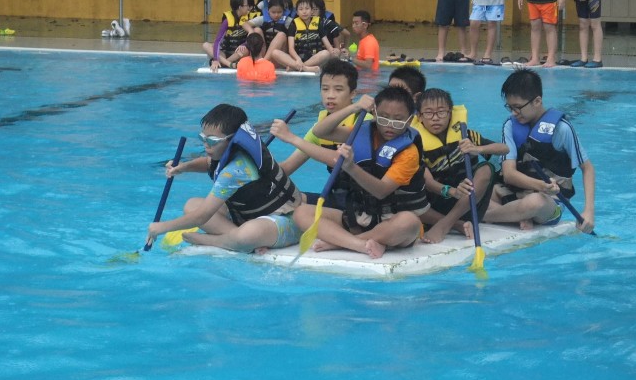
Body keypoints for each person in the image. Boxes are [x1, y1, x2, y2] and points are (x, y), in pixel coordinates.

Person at [292, 87, 429, 259]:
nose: (389, 125)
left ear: (410, 120)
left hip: (391, 222)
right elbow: (320, 132)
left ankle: (340, 242)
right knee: (301, 213)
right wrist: (354, 107)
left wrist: (351, 167)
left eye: (398, 120)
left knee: (409, 222)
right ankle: (358, 244)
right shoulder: (363, 131)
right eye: (384, 117)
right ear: (374, 113)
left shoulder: (408, 153)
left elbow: (381, 191)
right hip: (358, 216)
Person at [145, 104, 302, 253]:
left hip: (286, 220)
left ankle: (219, 241)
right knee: (191, 205)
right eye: (203, 138)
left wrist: (161, 227)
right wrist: (184, 167)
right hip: (247, 217)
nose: (206, 144)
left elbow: (202, 216)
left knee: (249, 233)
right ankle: (239, 239)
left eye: (212, 141)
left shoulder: (237, 169)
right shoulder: (229, 151)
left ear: (232, 140)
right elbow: (209, 163)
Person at [483, 69, 595, 232]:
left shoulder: (562, 129)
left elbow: (588, 168)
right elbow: (509, 174)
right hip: (514, 194)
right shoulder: (510, 125)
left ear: (537, 101)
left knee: (535, 202)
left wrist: (589, 212)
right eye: (510, 107)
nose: (514, 113)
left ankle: (486, 215)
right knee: (475, 193)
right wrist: (541, 185)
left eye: (518, 107)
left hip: (548, 201)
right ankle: (517, 215)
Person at [269, 58, 368, 208]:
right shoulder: (320, 126)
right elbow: (287, 167)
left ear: (353, 93)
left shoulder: (363, 120)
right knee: (282, 197)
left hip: (363, 203)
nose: (330, 95)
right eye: (325, 89)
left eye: (338, 89)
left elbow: (339, 160)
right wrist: (256, 166)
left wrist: (291, 138)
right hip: (336, 198)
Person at [414, 88, 507, 243]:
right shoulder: (416, 144)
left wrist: (477, 149)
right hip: (436, 203)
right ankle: (457, 225)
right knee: (409, 199)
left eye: (441, 112)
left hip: (467, 203)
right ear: (419, 116)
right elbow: (428, 182)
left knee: (486, 169)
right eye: (429, 113)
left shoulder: (466, 135)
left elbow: (504, 149)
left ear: (450, 113)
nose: (435, 118)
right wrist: (452, 191)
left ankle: (445, 224)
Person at [242, 0, 300, 70]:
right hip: (263, 53)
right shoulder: (263, 19)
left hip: (278, 57)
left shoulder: (289, 21)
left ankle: (263, 62)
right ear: (268, 11)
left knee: (281, 35)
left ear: (284, 11)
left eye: (279, 12)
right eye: (273, 12)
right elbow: (245, 24)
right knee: (257, 30)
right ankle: (258, 60)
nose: (276, 15)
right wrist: (251, 31)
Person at [204, 0, 254, 71]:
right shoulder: (227, 21)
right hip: (225, 51)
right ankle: (228, 64)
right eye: (246, 5)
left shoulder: (247, 18)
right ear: (240, 7)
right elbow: (218, 41)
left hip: (238, 53)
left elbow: (252, 35)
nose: (248, 7)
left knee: (245, 50)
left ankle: (223, 63)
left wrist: (244, 44)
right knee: (206, 45)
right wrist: (216, 59)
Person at [288, 0, 336, 73]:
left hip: (315, 57)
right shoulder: (293, 24)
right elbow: (291, 49)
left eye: (307, 8)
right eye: (301, 9)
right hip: (299, 58)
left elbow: (327, 43)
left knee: (326, 53)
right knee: (275, 53)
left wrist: (332, 52)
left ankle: (299, 67)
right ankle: (305, 67)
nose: (304, 12)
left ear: (311, 11)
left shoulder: (318, 22)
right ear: (297, 12)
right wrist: (298, 59)